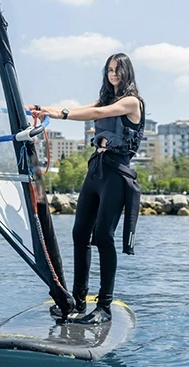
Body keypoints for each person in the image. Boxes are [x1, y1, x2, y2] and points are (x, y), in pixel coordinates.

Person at [31, 52, 144, 325]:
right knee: (79, 233)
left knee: (103, 236)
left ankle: (103, 308)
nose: (113, 74)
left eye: (117, 70)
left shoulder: (131, 102)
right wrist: (48, 110)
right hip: (95, 171)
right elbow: (86, 109)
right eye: (109, 70)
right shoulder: (105, 98)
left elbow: (98, 114)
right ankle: (77, 300)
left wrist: (62, 114)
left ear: (127, 72)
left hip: (116, 174)